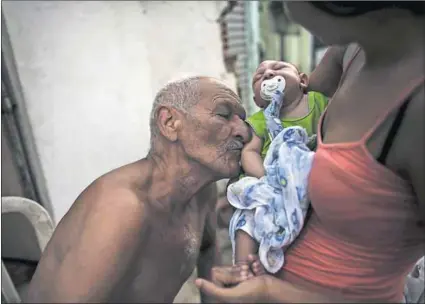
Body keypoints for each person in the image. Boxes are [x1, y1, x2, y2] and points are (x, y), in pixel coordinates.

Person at [196, 1, 425, 302]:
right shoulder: (352, 51)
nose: (287, 11)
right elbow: (295, 95)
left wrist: (273, 292)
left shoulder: (415, 111)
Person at [23, 76, 250, 303]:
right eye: (223, 115)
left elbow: (210, 263)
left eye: (242, 119)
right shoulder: (122, 208)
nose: (244, 131)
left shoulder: (201, 194)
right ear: (170, 122)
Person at [230, 61, 328, 274]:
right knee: (247, 215)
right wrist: (265, 177)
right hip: (272, 182)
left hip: (311, 176)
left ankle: (274, 253)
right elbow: (249, 152)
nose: (268, 73)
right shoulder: (260, 120)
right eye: (259, 76)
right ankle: (244, 266)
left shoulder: (318, 102)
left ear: (302, 81)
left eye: (278, 67)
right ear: (257, 100)